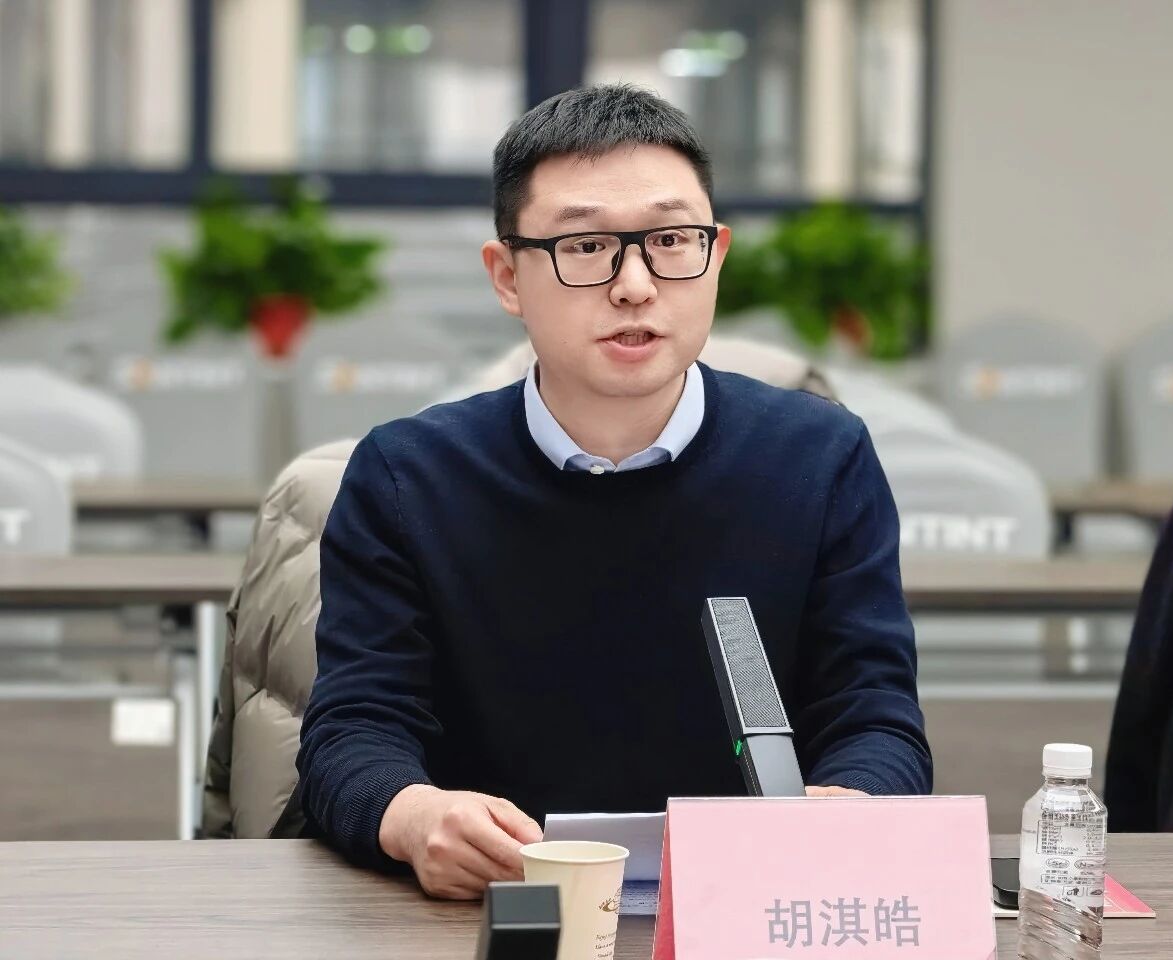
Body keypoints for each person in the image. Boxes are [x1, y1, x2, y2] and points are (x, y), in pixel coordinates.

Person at [297, 84, 931, 900]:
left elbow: (875, 718)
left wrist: (852, 803)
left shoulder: (821, 458)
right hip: (496, 910)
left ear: (716, 256)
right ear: (507, 277)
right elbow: (353, 732)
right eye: (587, 246)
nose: (635, 284)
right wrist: (413, 815)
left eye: (670, 240)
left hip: (747, 907)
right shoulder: (407, 476)